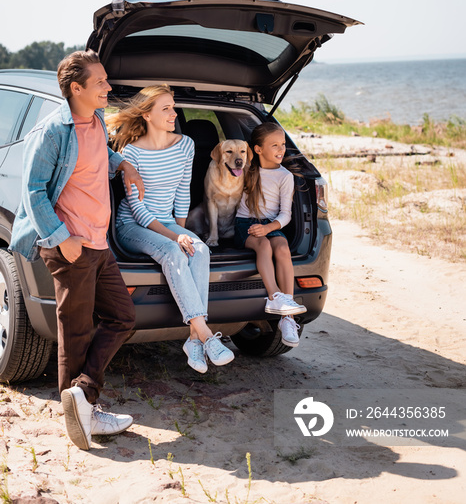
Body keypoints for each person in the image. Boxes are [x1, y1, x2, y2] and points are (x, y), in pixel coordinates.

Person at [9, 50, 144, 451]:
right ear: (76, 88)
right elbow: (32, 190)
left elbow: (97, 154)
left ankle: (81, 395)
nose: (109, 87)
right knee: (77, 329)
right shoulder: (53, 131)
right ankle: (83, 415)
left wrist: (123, 164)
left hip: (98, 243)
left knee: (122, 316)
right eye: (100, 82)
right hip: (71, 244)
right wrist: (61, 237)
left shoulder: (97, 121)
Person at [106, 85, 234, 374]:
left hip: (166, 223)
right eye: (166, 108)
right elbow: (137, 210)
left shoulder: (185, 145)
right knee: (173, 252)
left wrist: (183, 231)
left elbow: (182, 195)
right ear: (147, 115)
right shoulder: (131, 154)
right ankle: (205, 334)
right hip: (132, 225)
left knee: (199, 251)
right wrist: (176, 237)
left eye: (173, 107)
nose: (174, 113)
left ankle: (193, 339)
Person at [234, 122, 306, 348]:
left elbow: (286, 215)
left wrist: (268, 227)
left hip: (271, 225)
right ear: (257, 149)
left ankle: (287, 319)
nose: (281, 149)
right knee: (263, 246)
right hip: (244, 224)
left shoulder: (285, 176)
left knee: (282, 249)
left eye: (283, 144)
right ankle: (275, 297)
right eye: (274, 145)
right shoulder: (246, 170)